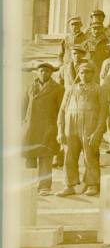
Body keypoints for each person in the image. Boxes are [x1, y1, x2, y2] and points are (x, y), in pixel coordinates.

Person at [57, 61, 106, 196]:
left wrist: (98, 131)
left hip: (90, 126)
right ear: (78, 73)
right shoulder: (71, 89)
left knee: (90, 155)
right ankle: (69, 185)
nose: (84, 75)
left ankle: (92, 184)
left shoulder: (99, 89)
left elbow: (103, 112)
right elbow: (61, 111)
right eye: (82, 72)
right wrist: (60, 131)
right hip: (71, 126)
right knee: (69, 156)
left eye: (88, 72)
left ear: (93, 73)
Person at [22, 62, 64, 195]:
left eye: (46, 71)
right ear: (36, 72)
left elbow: (61, 110)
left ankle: (44, 186)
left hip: (48, 127)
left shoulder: (58, 89)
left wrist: (58, 127)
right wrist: (22, 124)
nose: (43, 73)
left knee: (46, 157)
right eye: (41, 71)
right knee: (30, 156)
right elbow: (23, 107)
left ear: (51, 73)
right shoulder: (30, 87)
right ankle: (29, 184)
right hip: (31, 127)